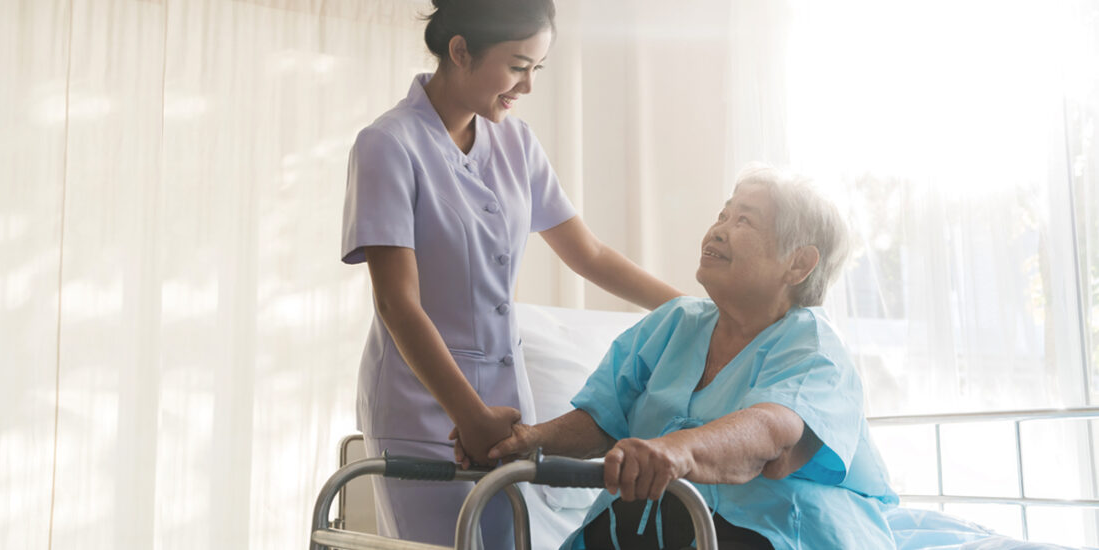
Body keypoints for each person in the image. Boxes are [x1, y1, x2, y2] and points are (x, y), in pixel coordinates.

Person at [340, 0, 683, 545]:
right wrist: (468, 416)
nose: (526, 87)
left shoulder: (516, 143)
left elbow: (588, 254)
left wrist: (695, 313)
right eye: (518, 66)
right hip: (420, 402)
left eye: (536, 70)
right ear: (460, 51)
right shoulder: (387, 145)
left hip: (507, 407)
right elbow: (397, 304)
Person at [477, 164, 899, 549]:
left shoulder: (813, 346)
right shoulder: (674, 323)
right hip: (648, 525)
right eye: (722, 215)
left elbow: (772, 431)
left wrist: (677, 451)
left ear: (799, 264)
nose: (718, 230)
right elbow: (604, 419)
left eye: (744, 221)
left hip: (778, 531)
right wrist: (529, 440)